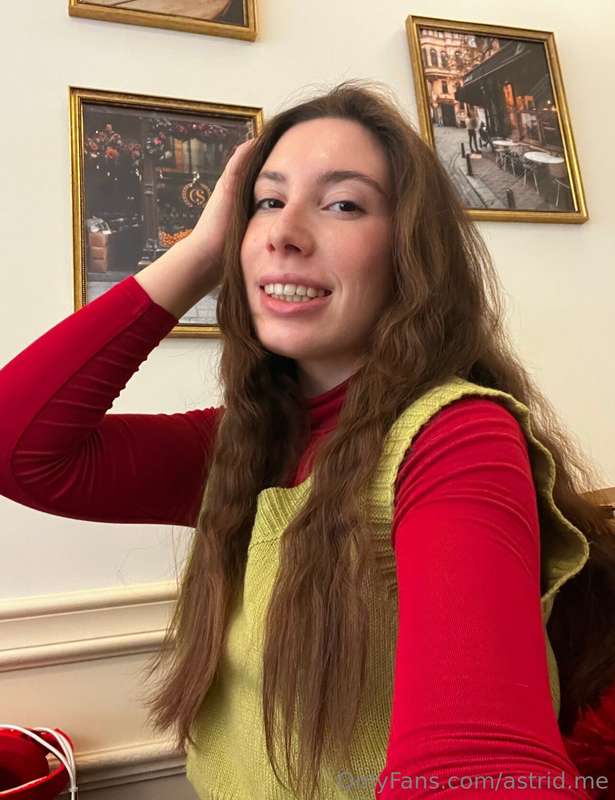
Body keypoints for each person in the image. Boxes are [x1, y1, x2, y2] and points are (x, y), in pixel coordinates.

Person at [1, 80, 614, 800]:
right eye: (266, 202)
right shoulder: (242, 441)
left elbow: (476, 764)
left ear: (410, 253)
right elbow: (19, 449)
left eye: (343, 205)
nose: (282, 233)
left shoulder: (456, 439)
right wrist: (202, 251)